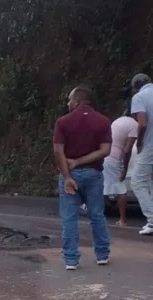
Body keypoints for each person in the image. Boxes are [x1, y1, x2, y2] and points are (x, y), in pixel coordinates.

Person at [53, 85, 112, 269]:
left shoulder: (63, 122)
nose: (67, 103)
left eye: (69, 100)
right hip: (94, 174)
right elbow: (105, 150)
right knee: (96, 215)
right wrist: (79, 162)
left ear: (77, 101)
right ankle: (102, 255)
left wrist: (67, 175)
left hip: (69, 175)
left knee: (69, 217)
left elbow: (57, 151)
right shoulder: (103, 121)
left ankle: (71, 259)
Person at [104, 108, 138, 227]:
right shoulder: (134, 125)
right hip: (114, 157)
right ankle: (123, 220)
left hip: (104, 154)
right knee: (120, 189)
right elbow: (128, 149)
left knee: (105, 185)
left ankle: (97, 214)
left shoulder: (118, 121)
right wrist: (124, 167)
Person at [130, 73, 153, 235]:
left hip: (150, 145)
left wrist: (139, 142)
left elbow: (142, 123)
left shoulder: (139, 97)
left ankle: (152, 220)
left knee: (137, 181)